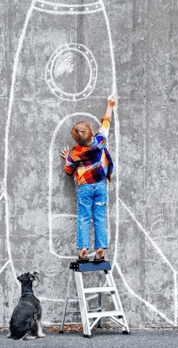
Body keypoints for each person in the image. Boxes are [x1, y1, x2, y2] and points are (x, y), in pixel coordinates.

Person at [60, 95, 116, 263]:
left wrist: (67, 158)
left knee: (84, 218)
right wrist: (110, 105)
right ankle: (100, 249)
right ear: (92, 132)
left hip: (85, 189)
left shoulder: (76, 152)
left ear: (77, 140)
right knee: (99, 218)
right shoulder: (100, 141)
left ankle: (84, 248)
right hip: (100, 187)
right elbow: (106, 122)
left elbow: (69, 170)